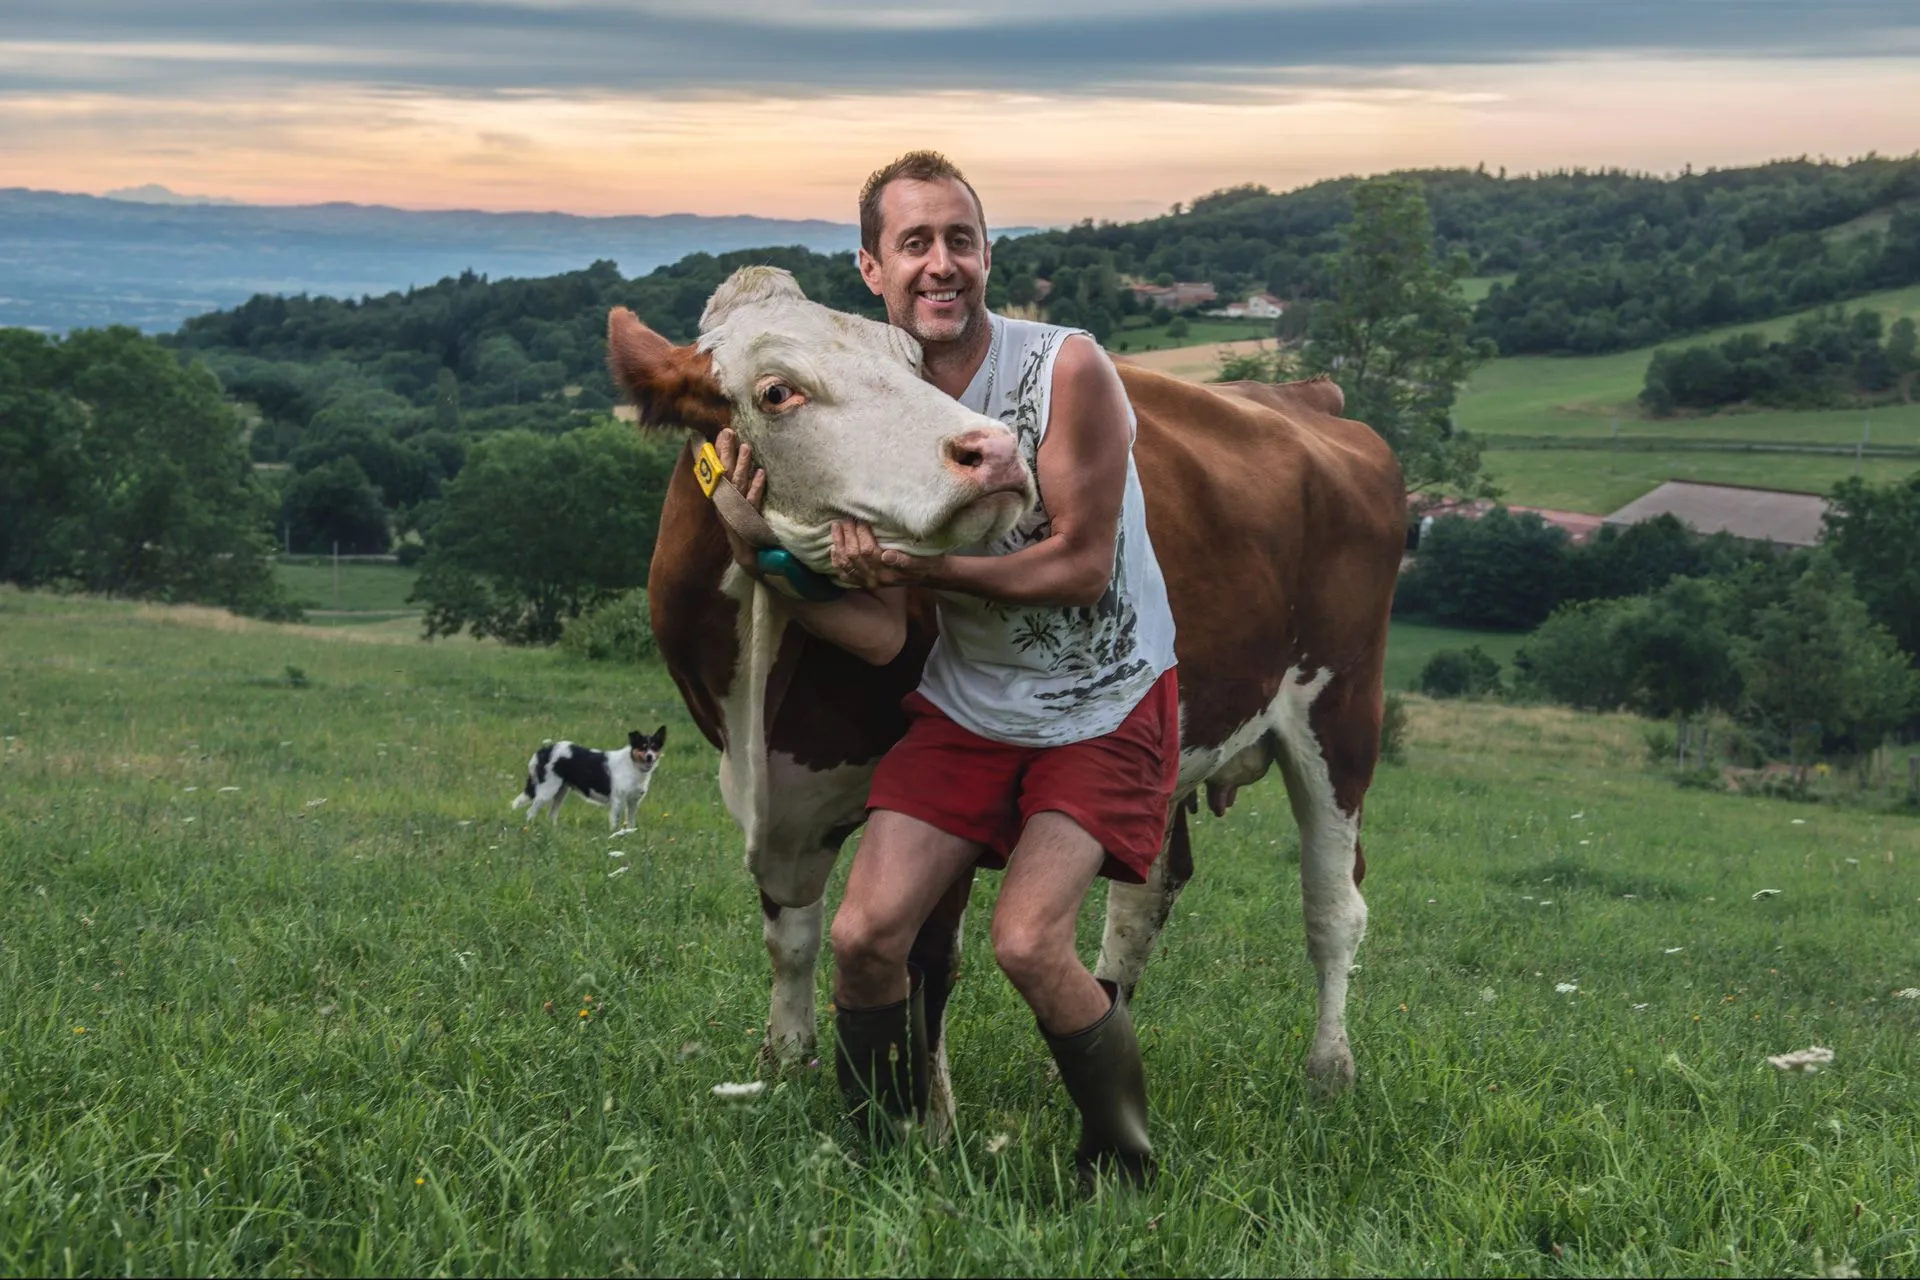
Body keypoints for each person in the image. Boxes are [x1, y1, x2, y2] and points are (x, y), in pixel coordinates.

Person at [712, 151, 1177, 1185]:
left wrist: (926, 567)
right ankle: (879, 1151)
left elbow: (1083, 566)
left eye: (959, 239)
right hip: (973, 706)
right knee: (866, 930)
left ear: (986, 254)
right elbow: (881, 634)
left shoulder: (1067, 368)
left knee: (1027, 942)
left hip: (1103, 699)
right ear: (871, 268)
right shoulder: (874, 396)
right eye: (913, 243)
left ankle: (1122, 1157)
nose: (940, 263)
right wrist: (758, 549)